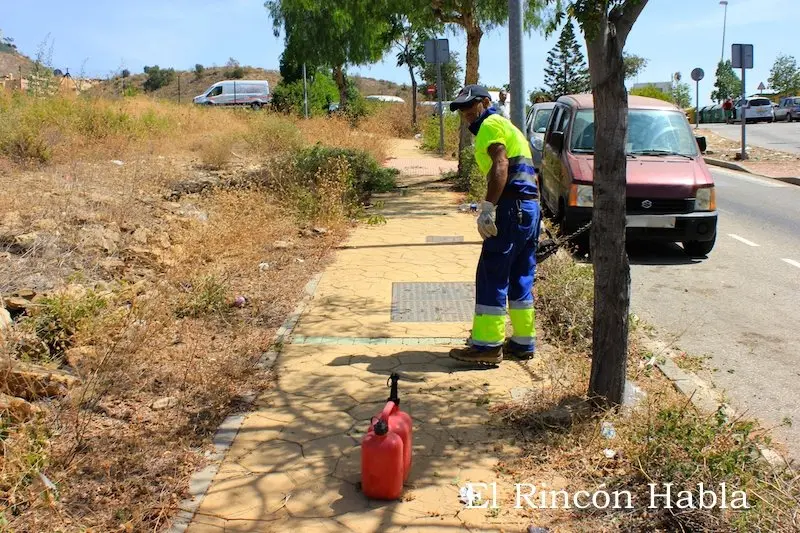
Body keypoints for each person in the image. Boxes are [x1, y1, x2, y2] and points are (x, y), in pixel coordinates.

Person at [447, 85, 541, 365]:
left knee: (492, 273)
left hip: (511, 208)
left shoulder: (489, 125)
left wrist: (488, 208)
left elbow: (500, 166)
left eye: (470, 106)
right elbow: (530, 173)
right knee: (520, 276)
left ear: (486, 102)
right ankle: (524, 343)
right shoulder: (509, 127)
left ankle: (487, 346)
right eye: (461, 109)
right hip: (529, 207)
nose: (465, 113)